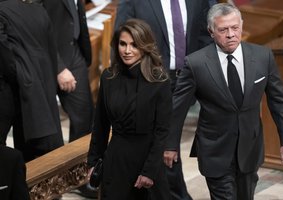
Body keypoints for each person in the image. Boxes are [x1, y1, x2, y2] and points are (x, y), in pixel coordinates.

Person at [164, 3, 283, 200]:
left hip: (250, 149)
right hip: (214, 150)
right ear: (211, 32)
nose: (231, 34)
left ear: (241, 26)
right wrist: (170, 145)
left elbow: (278, 101)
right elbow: (178, 109)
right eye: (223, 29)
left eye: (235, 28)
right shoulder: (196, 63)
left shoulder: (262, 57)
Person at [114, 1, 214, 199]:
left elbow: (206, 35)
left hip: (189, 78)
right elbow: (121, 36)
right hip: (152, 80)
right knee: (164, 141)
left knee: (164, 141)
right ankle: (177, 195)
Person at [87, 19, 172, 200]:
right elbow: (100, 125)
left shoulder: (159, 80)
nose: (127, 51)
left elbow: (162, 132)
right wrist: (93, 162)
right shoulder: (109, 77)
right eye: (123, 44)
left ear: (145, 46)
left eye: (134, 45)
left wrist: (149, 171)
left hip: (147, 162)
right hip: (116, 160)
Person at [0, 0, 64, 161]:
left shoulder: (2, 11)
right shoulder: (39, 10)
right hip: (42, 89)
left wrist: (21, 75)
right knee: (37, 146)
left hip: (13, 89)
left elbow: (5, 55)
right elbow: (51, 51)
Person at [42, 0, 94, 142]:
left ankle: (79, 163)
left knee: (85, 116)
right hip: (49, 57)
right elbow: (37, 23)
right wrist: (58, 67)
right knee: (46, 129)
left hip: (75, 50)